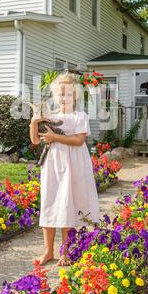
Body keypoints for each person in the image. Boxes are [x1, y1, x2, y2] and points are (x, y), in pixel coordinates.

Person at [29, 71, 100, 266]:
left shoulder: (80, 116)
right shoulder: (49, 117)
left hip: (73, 164)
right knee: (50, 203)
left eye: (69, 94)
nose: (64, 97)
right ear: (55, 95)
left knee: (67, 204)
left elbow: (78, 140)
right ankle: (48, 251)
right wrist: (34, 122)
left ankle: (65, 251)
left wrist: (55, 137)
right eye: (61, 94)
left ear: (75, 95)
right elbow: (35, 140)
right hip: (53, 164)